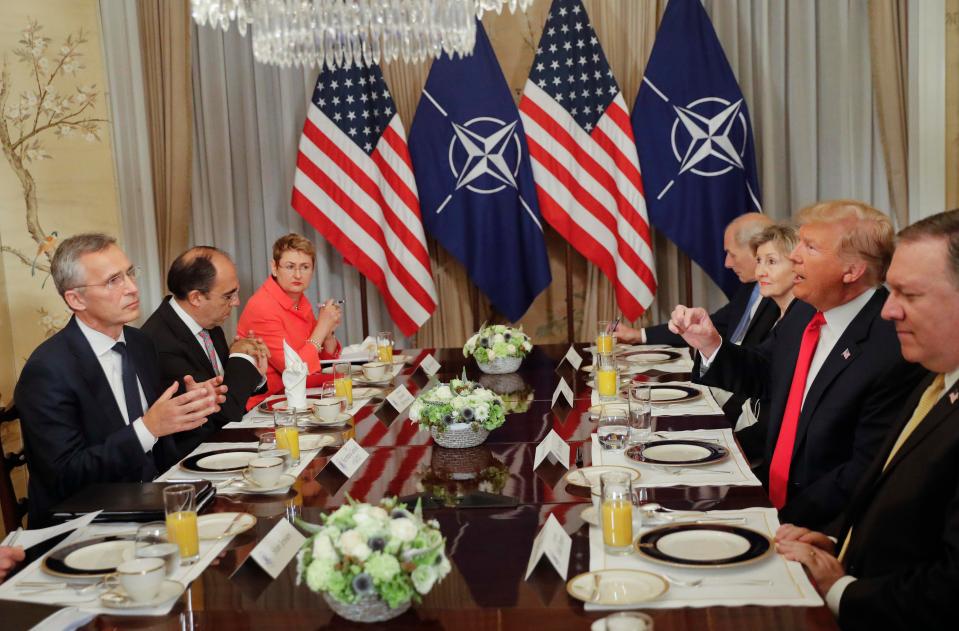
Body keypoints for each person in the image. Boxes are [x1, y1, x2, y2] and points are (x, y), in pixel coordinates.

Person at [668, 200, 926, 529]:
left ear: (852, 271)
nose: (795, 255)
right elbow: (764, 372)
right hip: (768, 493)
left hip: (822, 526)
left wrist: (777, 522)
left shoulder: (892, 346)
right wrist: (711, 344)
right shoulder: (805, 311)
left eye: (811, 247)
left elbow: (864, 469)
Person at [775, 209, 959, 630]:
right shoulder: (935, 379)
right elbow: (908, 515)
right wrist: (840, 543)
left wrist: (840, 588)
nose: (889, 311)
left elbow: (950, 587)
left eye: (909, 295)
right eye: (890, 292)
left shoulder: (908, 365)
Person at [15, 234, 225, 526]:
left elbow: (158, 447)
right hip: (86, 523)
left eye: (129, 273)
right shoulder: (48, 370)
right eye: (113, 281)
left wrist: (189, 410)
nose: (132, 288)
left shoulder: (140, 344)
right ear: (76, 299)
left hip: (153, 503)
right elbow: (65, 477)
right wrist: (148, 428)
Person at [141, 247, 269, 456]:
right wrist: (240, 357)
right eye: (229, 296)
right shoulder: (160, 343)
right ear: (196, 298)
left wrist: (254, 369)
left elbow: (226, 384)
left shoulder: (206, 321)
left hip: (225, 444)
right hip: (195, 457)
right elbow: (224, 412)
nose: (236, 302)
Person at [615, 212, 777, 346]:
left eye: (732, 254)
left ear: (756, 250)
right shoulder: (749, 288)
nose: (727, 263)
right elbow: (713, 325)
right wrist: (637, 335)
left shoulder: (779, 298)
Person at [237, 234, 343, 409]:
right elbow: (295, 371)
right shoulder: (262, 306)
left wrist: (328, 332)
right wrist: (322, 326)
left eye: (305, 267)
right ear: (274, 268)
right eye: (290, 266)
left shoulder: (300, 300)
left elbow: (319, 361)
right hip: (264, 405)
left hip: (294, 397)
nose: (298, 274)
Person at [729, 223, 800, 466]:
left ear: (798, 264)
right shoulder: (778, 311)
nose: (759, 272)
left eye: (771, 262)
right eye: (759, 261)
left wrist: (733, 444)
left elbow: (784, 407)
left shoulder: (803, 319)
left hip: (770, 453)